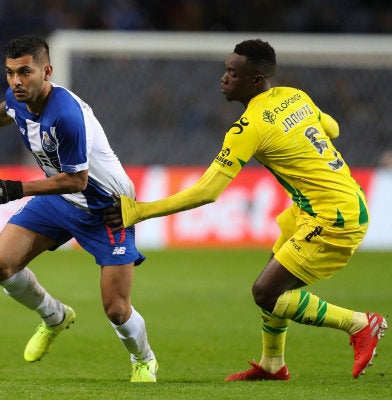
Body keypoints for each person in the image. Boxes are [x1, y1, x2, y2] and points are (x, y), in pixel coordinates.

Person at [103, 39, 386, 380]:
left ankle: (360, 324)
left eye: (233, 73)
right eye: (226, 70)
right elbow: (334, 128)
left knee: (265, 293)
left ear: (255, 81)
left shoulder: (248, 127)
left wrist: (139, 211)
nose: (224, 78)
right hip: (325, 204)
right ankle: (272, 365)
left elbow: (207, 192)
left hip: (334, 217)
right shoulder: (295, 95)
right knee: (273, 282)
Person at [0, 34, 157, 383]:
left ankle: (143, 359)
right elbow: (7, 108)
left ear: (47, 71)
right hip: (59, 200)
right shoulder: (17, 95)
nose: (16, 81)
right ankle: (53, 316)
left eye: (25, 72)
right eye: (10, 73)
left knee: (115, 309)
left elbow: (78, 181)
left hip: (106, 208)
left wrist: (14, 189)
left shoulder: (66, 116)